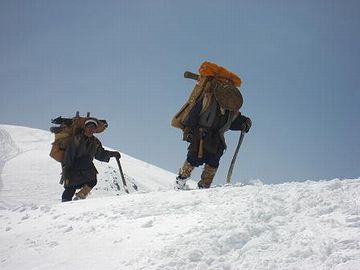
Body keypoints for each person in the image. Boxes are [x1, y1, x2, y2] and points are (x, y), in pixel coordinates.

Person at [175, 90, 252, 190]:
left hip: (217, 140)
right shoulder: (207, 100)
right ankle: (181, 181)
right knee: (192, 159)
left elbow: (234, 123)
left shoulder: (231, 111)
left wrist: (245, 123)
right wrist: (190, 131)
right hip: (200, 136)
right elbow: (193, 115)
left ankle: (204, 185)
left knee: (213, 162)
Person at [60, 118, 121, 202]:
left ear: (95, 129)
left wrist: (112, 154)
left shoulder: (95, 142)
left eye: (93, 127)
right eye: (89, 127)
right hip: (73, 168)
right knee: (71, 187)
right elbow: (69, 154)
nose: (91, 129)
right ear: (85, 127)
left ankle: (80, 197)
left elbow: (100, 154)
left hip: (86, 168)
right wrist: (66, 168)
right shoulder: (76, 139)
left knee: (92, 181)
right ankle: (63, 206)